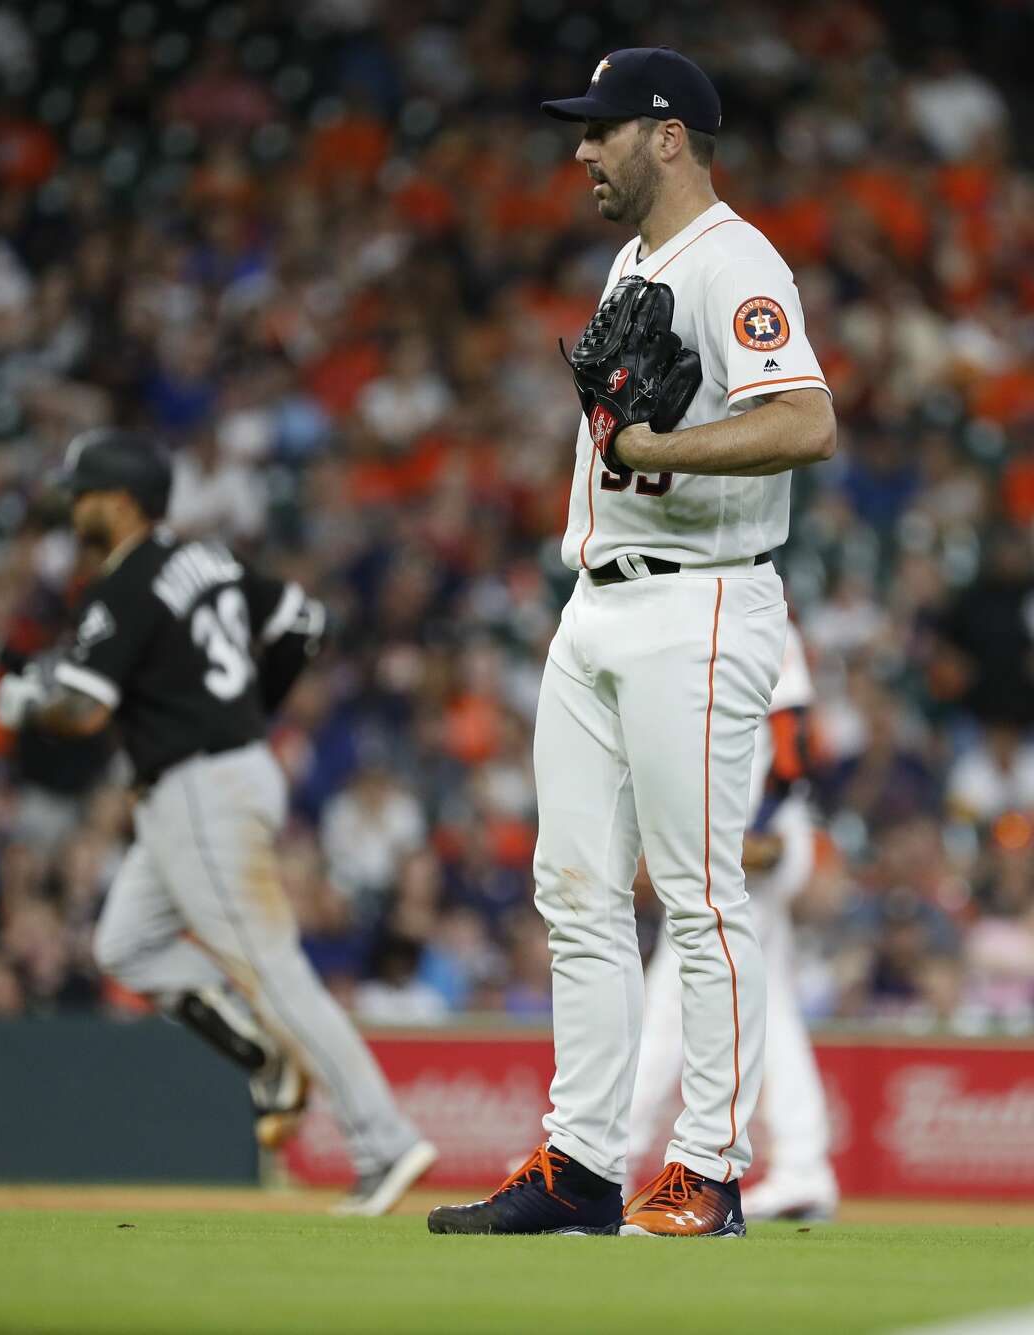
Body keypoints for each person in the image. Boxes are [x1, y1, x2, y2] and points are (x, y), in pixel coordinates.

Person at [429, 47, 835, 1237]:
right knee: (579, 892)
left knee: (700, 901)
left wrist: (664, 450)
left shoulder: (737, 261)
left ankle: (707, 1170)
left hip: (700, 599)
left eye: (602, 128)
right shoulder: (630, 259)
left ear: (668, 135)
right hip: (598, 602)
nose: (581, 149)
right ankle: (582, 1166)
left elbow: (805, 419)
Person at [0, 428, 436, 1215]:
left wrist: (31, 700)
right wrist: (251, 708)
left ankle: (384, 1140)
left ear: (121, 501)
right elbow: (305, 620)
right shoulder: (211, 559)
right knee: (124, 944)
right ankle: (263, 1052)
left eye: (84, 492)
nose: (74, 505)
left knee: (273, 970)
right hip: (215, 781)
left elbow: (85, 708)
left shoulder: (123, 584)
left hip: (200, 789)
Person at [627, 622, 839, 1221]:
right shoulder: (706, 620)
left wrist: (763, 827)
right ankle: (804, 1164)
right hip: (729, 834)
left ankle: (607, 1155)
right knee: (765, 999)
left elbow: (793, 738)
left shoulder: (761, 620)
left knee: (672, 997)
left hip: (757, 836)